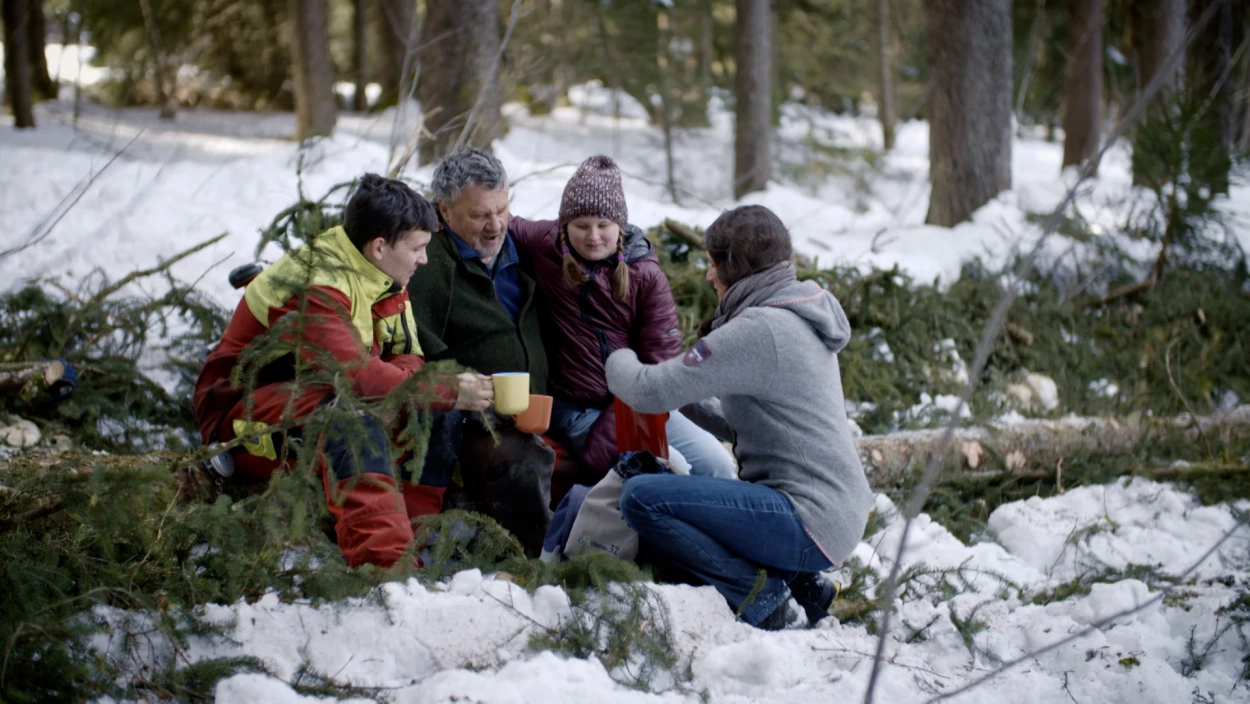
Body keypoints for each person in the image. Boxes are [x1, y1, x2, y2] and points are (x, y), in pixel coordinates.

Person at [194, 174, 494, 569]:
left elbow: (409, 356)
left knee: (436, 410)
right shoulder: (318, 284)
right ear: (380, 246)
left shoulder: (384, 271)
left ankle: (421, 537)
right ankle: (388, 568)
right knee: (352, 419)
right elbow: (356, 377)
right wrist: (441, 389)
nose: (424, 258)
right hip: (246, 416)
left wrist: (414, 391)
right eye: (418, 248)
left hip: (317, 395)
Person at [604, 205, 873, 629]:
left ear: (735, 267)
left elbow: (647, 390)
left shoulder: (759, 329)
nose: (709, 276)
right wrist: (688, 399)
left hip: (807, 518)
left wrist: (613, 352)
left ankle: (762, 594)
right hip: (834, 513)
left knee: (642, 497)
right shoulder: (794, 314)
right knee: (708, 497)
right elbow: (752, 421)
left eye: (712, 264)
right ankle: (801, 581)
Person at [508, 155, 736, 494]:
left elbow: (661, 366)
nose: (593, 236)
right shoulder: (546, 243)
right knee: (666, 470)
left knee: (714, 464)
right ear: (565, 225)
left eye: (603, 224)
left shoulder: (644, 274)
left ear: (620, 226)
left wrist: (622, 424)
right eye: (581, 225)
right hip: (576, 407)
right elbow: (499, 220)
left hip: (639, 401)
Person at [406, 147, 548, 391]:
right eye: (480, 215)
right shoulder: (427, 263)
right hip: (476, 421)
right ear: (445, 210)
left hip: (542, 415)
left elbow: (576, 234)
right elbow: (413, 359)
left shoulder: (524, 249)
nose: (495, 225)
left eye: (502, 210)